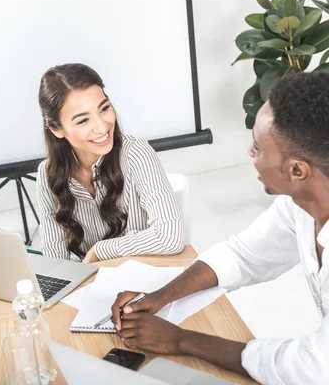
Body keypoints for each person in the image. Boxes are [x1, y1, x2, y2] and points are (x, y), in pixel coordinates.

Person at [111, 72, 329, 384]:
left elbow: (311, 369)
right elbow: (244, 255)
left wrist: (180, 340)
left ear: (297, 170)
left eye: (257, 148)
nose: (250, 154)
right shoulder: (299, 204)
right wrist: (159, 296)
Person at [36, 63, 184, 263]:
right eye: (82, 121)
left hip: (143, 281)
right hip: (90, 285)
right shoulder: (47, 174)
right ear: (56, 129)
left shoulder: (136, 154)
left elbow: (170, 237)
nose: (101, 126)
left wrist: (101, 250)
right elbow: (56, 261)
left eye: (104, 108)